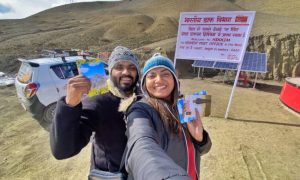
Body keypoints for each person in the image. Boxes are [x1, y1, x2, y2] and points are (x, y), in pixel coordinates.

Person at [50, 46, 140, 178]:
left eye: (132, 67)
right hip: (112, 175)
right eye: (119, 67)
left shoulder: (141, 97)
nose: (126, 72)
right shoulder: (98, 101)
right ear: (110, 71)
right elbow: (63, 150)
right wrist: (69, 104)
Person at [124, 54, 212, 180]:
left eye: (165, 74)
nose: (159, 80)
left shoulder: (185, 104)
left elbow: (202, 150)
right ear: (144, 83)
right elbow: (141, 144)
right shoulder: (141, 110)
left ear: (174, 79)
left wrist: (200, 138)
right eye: (152, 75)